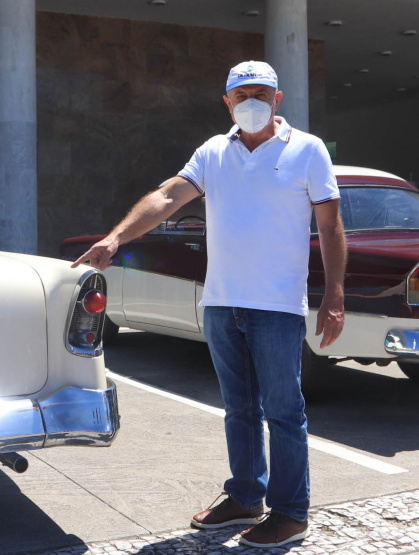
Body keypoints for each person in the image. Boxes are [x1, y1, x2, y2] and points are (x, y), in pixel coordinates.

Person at [71, 60, 346, 548]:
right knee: (238, 408)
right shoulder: (214, 152)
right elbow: (165, 197)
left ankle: (291, 512)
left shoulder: (307, 150)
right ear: (227, 102)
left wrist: (335, 294)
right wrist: (114, 239)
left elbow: (329, 225)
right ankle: (245, 495)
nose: (252, 103)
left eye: (261, 93)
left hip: (278, 306)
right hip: (222, 303)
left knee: (283, 411)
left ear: (278, 99)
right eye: (242, 96)